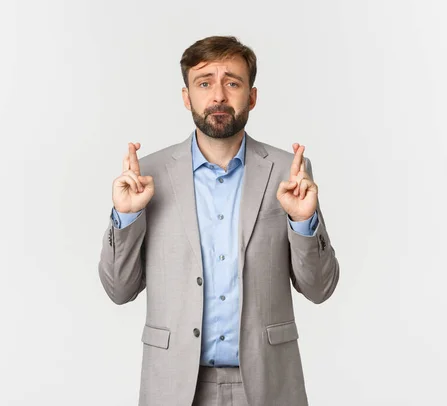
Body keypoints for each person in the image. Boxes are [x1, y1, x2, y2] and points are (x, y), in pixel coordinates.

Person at [98, 35, 340, 406]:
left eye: (232, 82)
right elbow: (119, 290)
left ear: (252, 97)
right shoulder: (148, 175)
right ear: (186, 97)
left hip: (267, 383)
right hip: (175, 387)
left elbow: (320, 288)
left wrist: (303, 221)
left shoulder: (288, 174)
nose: (219, 96)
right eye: (205, 82)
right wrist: (127, 215)